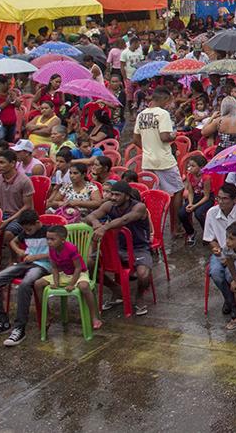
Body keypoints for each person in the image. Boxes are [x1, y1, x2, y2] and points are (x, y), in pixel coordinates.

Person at [0, 210, 50, 346]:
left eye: (29, 228)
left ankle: (19, 328)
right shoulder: (26, 232)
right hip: (26, 263)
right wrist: (19, 251)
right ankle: (1, 322)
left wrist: (35, 257)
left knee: (25, 284)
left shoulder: (49, 232)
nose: (27, 232)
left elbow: (58, 251)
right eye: (24, 229)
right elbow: (13, 241)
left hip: (43, 266)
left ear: (37, 223)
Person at [85, 181, 153, 316]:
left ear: (127, 196)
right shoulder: (109, 205)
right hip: (117, 247)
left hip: (138, 248)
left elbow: (124, 220)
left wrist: (104, 228)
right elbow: (91, 215)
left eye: (117, 195)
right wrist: (96, 223)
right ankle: (116, 289)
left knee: (143, 275)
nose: (113, 197)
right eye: (112, 194)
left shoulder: (139, 207)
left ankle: (139, 296)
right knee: (89, 265)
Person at [202, 182, 236, 320]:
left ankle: (232, 304)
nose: (220, 202)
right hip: (222, 251)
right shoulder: (212, 212)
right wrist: (216, 249)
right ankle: (231, 302)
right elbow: (210, 239)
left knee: (229, 275)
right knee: (215, 273)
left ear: (234, 200)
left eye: (225, 198)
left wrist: (235, 254)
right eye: (219, 198)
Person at [33, 224, 101, 331]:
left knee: (84, 287)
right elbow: (54, 268)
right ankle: (48, 314)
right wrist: (55, 282)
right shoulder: (52, 249)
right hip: (64, 274)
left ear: (62, 240)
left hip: (78, 273)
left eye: (52, 239)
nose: (49, 242)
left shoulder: (71, 248)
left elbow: (78, 268)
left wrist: (71, 284)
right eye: (47, 239)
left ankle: (94, 317)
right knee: (38, 284)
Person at [133, 86, 185, 217]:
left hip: (148, 161)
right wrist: (174, 135)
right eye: (169, 101)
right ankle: (176, 226)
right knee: (178, 189)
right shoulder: (163, 114)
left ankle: (154, 224)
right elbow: (164, 137)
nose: (169, 104)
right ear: (165, 99)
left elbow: (135, 139)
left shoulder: (141, 115)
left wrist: (147, 149)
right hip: (164, 160)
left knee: (152, 195)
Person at [0, 149, 35, 249]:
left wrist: (7, 221)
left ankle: (13, 259)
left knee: (9, 233)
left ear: (12, 163)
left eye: (2, 163)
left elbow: (28, 206)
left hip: (22, 216)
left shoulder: (24, 181)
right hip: (4, 214)